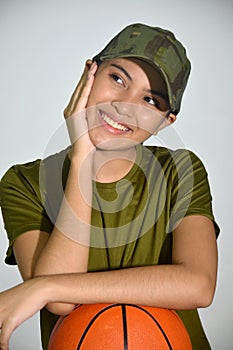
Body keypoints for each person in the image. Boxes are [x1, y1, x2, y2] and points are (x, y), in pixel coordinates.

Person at [0, 23, 219, 350]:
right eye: (117, 79)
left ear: (165, 121)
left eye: (150, 100)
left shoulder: (179, 170)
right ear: (90, 72)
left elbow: (198, 285)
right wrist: (82, 159)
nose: (125, 105)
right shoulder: (24, 182)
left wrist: (45, 287)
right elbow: (60, 304)